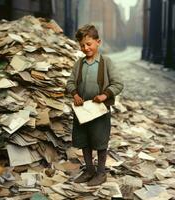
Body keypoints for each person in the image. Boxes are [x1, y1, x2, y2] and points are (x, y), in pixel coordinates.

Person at [66, 24, 123, 186]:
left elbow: (118, 84)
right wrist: (75, 94)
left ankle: (101, 173)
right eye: (82, 45)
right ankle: (89, 170)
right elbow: (70, 82)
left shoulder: (106, 63)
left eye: (89, 44)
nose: (85, 48)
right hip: (83, 111)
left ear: (98, 42)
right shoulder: (79, 64)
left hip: (100, 110)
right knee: (84, 140)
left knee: (100, 141)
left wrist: (105, 95)